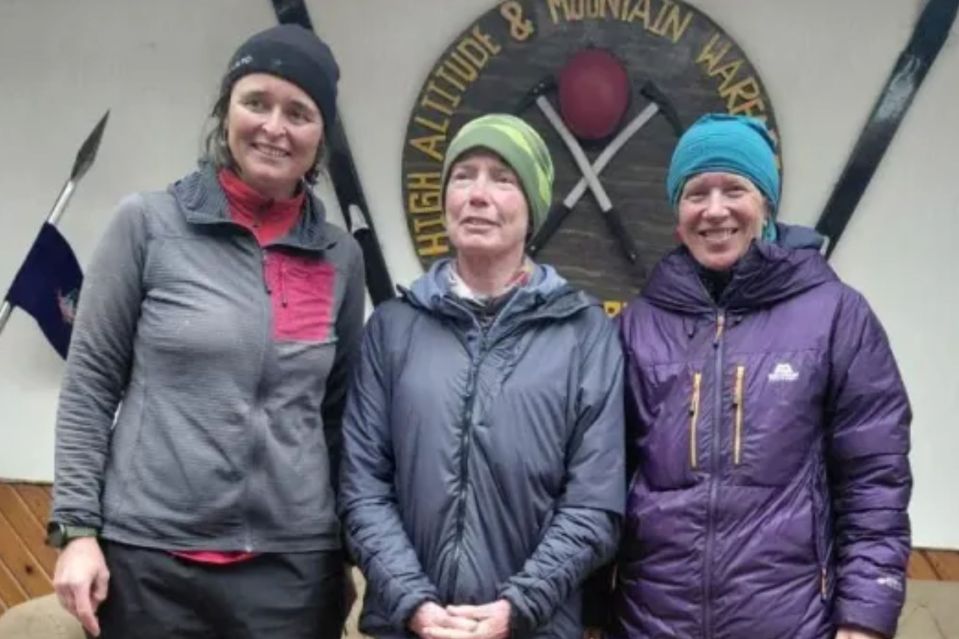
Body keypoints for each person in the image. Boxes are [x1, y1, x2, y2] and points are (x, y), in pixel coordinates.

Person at [48, 24, 364, 639]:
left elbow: (340, 417)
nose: (275, 127)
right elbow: (89, 386)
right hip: (149, 564)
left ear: (321, 135)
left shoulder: (339, 258)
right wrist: (78, 531)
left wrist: (342, 550)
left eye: (299, 112)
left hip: (291, 572)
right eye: (256, 103)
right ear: (225, 114)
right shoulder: (147, 226)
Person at [610, 114, 912, 639]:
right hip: (649, 625)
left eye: (735, 188)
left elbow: (874, 482)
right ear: (677, 213)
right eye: (696, 192)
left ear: (766, 200)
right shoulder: (637, 326)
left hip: (792, 624)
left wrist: (864, 619)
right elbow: (602, 484)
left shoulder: (837, 316)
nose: (715, 210)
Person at [339, 114, 625, 639]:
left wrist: (516, 608)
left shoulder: (584, 335)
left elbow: (594, 503)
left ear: (532, 206)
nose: (478, 194)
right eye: (463, 175)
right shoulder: (393, 329)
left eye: (503, 178)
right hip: (409, 627)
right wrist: (414, 603)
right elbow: (362, 486)